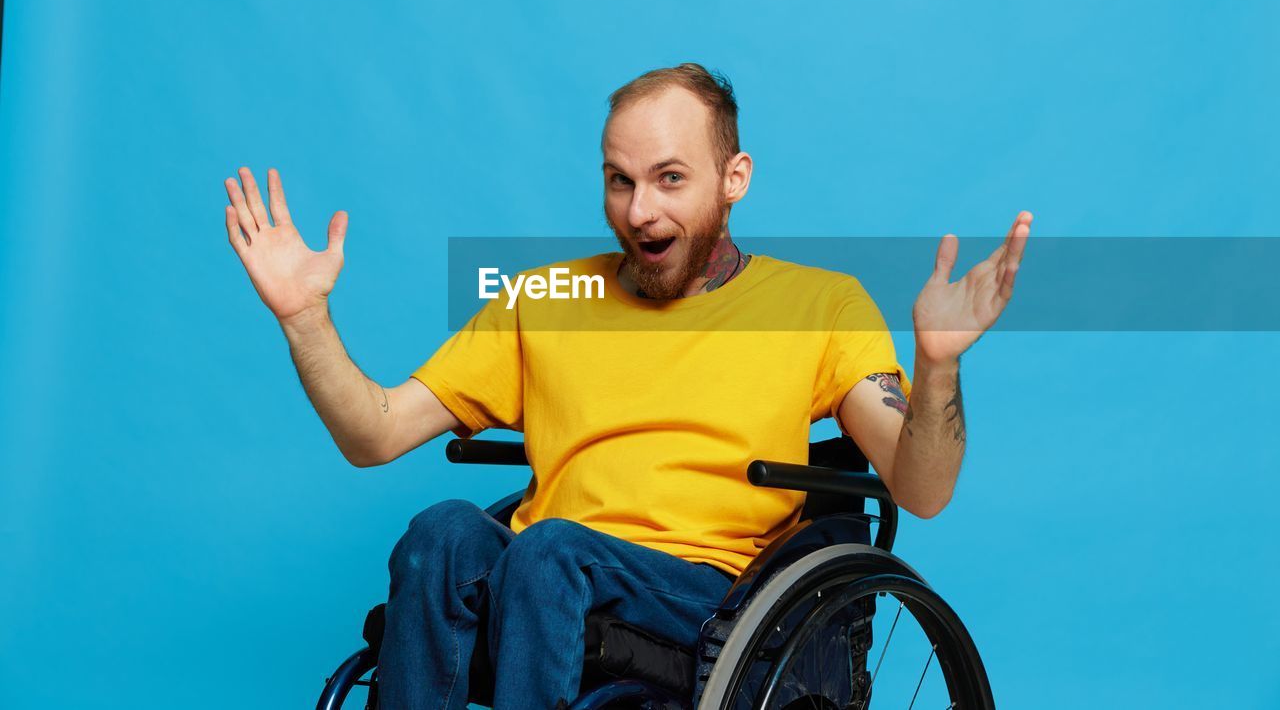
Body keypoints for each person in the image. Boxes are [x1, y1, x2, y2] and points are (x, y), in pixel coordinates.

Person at [223, 63, 1031, 709]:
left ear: (734, 176)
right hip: (547, 571)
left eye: (670, 179)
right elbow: (376, 433)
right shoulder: (547, 297)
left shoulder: (818, 304)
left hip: (709, 594)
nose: (639, 210)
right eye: (620, 180)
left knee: (550, 553)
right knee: (442, 531)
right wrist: (304, 318)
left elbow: (921, 490)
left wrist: (938, 365)